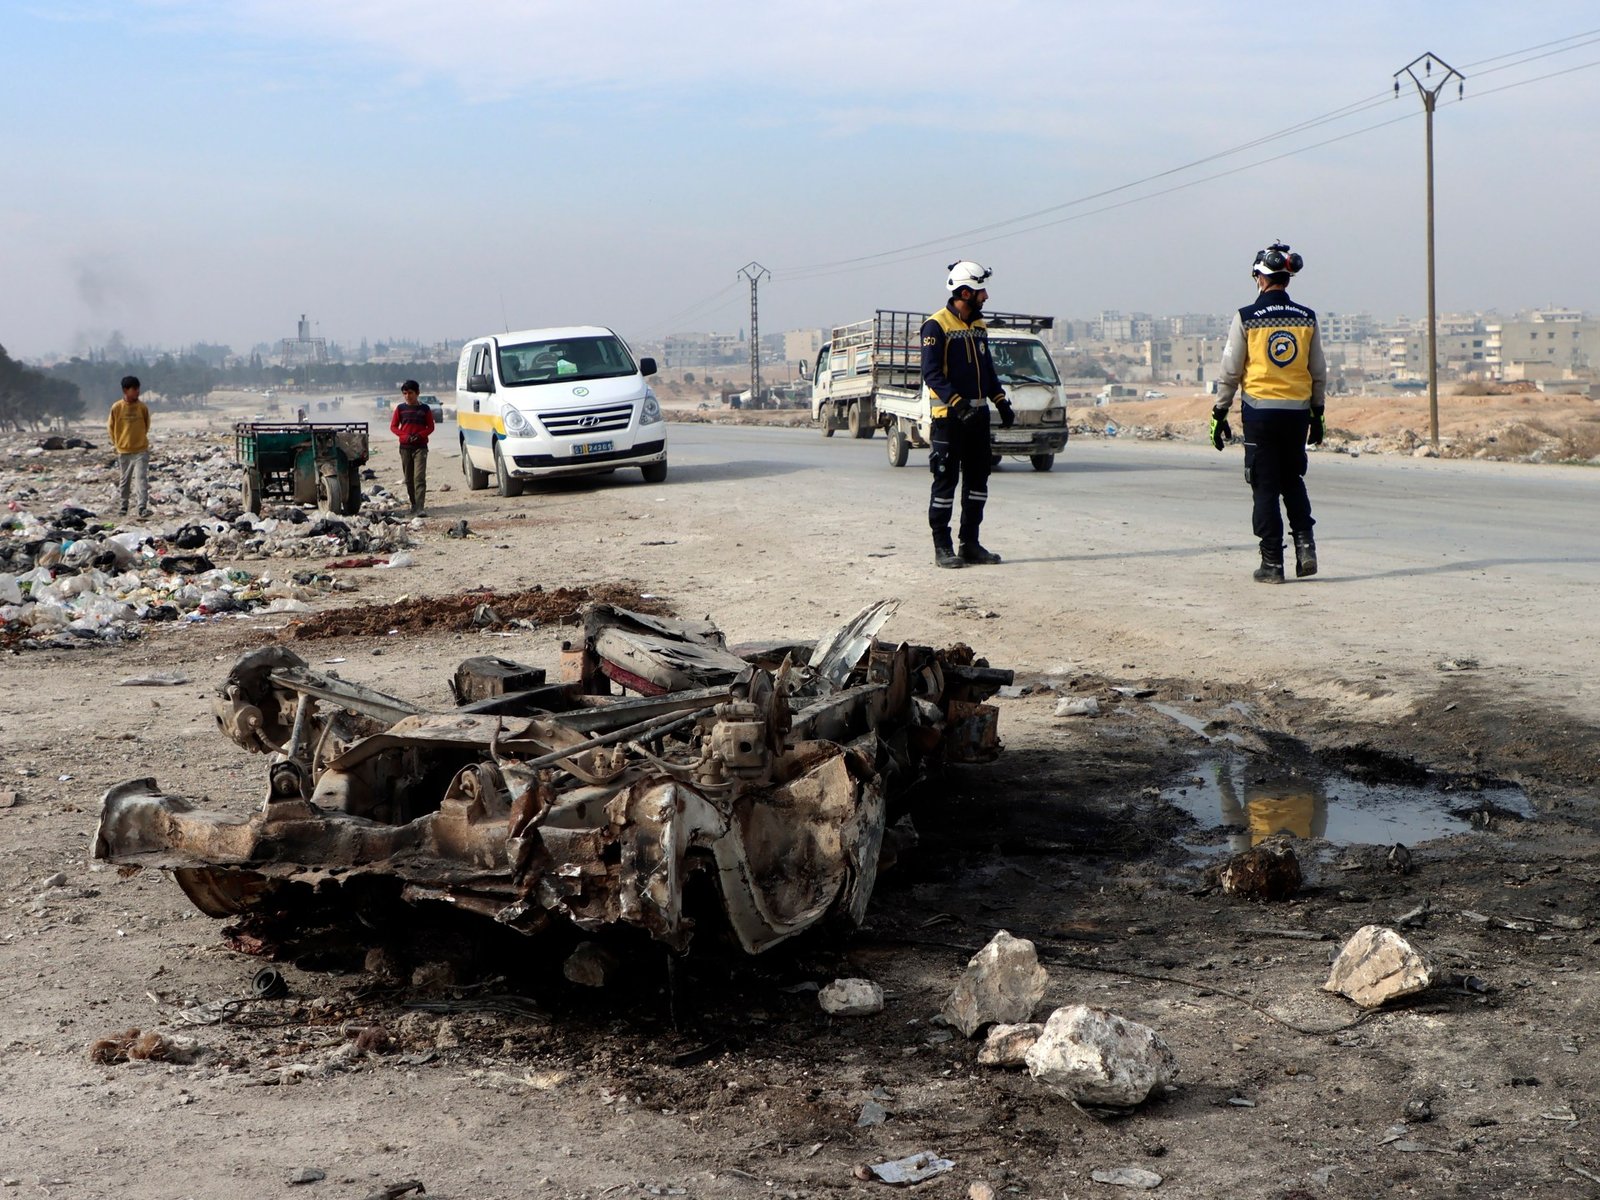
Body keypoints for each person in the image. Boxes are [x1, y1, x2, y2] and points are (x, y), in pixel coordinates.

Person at [1209, 241, 1327, 583]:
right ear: (1287, 278)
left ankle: (1272, 563)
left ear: (1259, 278)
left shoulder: (1246, 317)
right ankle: (1306, 546)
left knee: (1264, 485)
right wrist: (1317, 414)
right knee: (1293, 480)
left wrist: (1219, 414)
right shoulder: (1307, 318)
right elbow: (1318, 372)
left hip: (1260, 414)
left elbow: (1230, 372)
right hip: (1297, 414)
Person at [920, 260, 1014, 568]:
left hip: (979, 419)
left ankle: (969, 544)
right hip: (950, 421)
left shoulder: (979, 326)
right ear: (964, 292)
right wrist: (959, 405)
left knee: (978, 483)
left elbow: (987, 370)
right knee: (946, 484)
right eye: (980, 291)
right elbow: (932, 375)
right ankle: (942, 547)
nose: (985, 297)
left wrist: (1000, 401)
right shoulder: (936, 326)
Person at [106, 374, 151, 518]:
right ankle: (123, 506)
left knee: (141, 479)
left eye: (138, 389)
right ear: (126, 390)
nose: (137, 392)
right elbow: (111, 427)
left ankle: (142, 507)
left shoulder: (142, 407)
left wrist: (139, 439)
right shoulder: (117, 407)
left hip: (140, 450)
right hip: (124, 450)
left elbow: (146, 425)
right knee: (124, 480)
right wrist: (117, 443)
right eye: (134, 389)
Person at [390, 379, 435, 516]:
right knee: (409, 479)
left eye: (410, 393)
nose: (407, 396)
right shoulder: (400, 409)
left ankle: (420, 507)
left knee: (419, 478)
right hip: (405, 447)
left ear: (417, 393)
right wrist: (405, 437)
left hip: (420, 447)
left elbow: (431, 427)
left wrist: (420, 435)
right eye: (405, 393)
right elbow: (393, 427)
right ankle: (414, 504)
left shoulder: (424, 409)